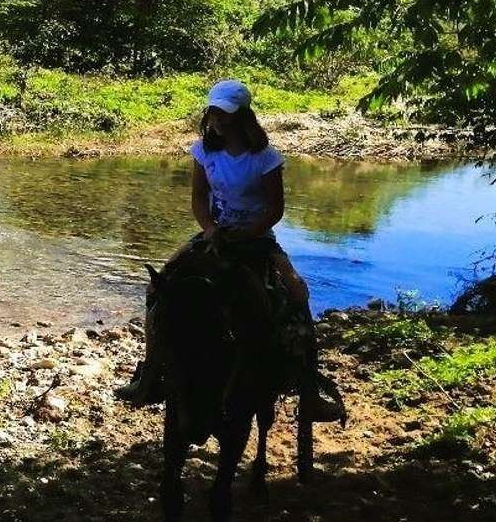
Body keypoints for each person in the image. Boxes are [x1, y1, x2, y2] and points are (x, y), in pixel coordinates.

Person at [115, 79, 343, 420]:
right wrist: (210, 229)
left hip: (257, 237)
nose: (218, 119)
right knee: (157, 288)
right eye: (214, 112)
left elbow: (275, 209)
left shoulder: (265, 158)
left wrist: (248, 232)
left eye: (225, 113)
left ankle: (310, 393)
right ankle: (150, 374)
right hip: (214, 234)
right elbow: (198, 198)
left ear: (242, 116)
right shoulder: (204, 152)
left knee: (297, 290)